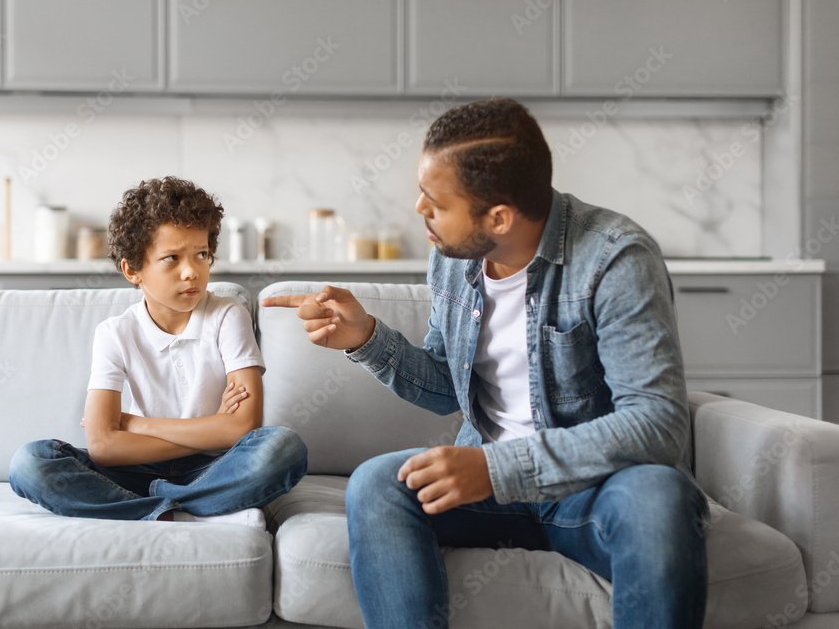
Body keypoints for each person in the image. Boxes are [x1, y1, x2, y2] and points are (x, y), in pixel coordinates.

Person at [262, 99, 709, 628]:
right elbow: (448, 386)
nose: (418, 210)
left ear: (498, 216)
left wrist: (497, 469)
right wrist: (366, 338)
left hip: (593, 491)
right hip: (488, 492)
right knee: (378, 484)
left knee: (660, 498)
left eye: (435, 201)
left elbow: (656, 423)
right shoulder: (452, 256)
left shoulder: (614, 258)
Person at [10, 176, 307, 527]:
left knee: (283, 448)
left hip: (212, 467)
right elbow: (104, 446)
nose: (191, 272)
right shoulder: (115, 333)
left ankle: (147, 506)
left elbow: (243, 427)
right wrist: (213, 428)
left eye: (201, 255)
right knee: (31, 462)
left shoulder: (227, 316)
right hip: (132, 469)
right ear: (132, 270)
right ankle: (172, 506)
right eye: (171, 258)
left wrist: (135, 424)